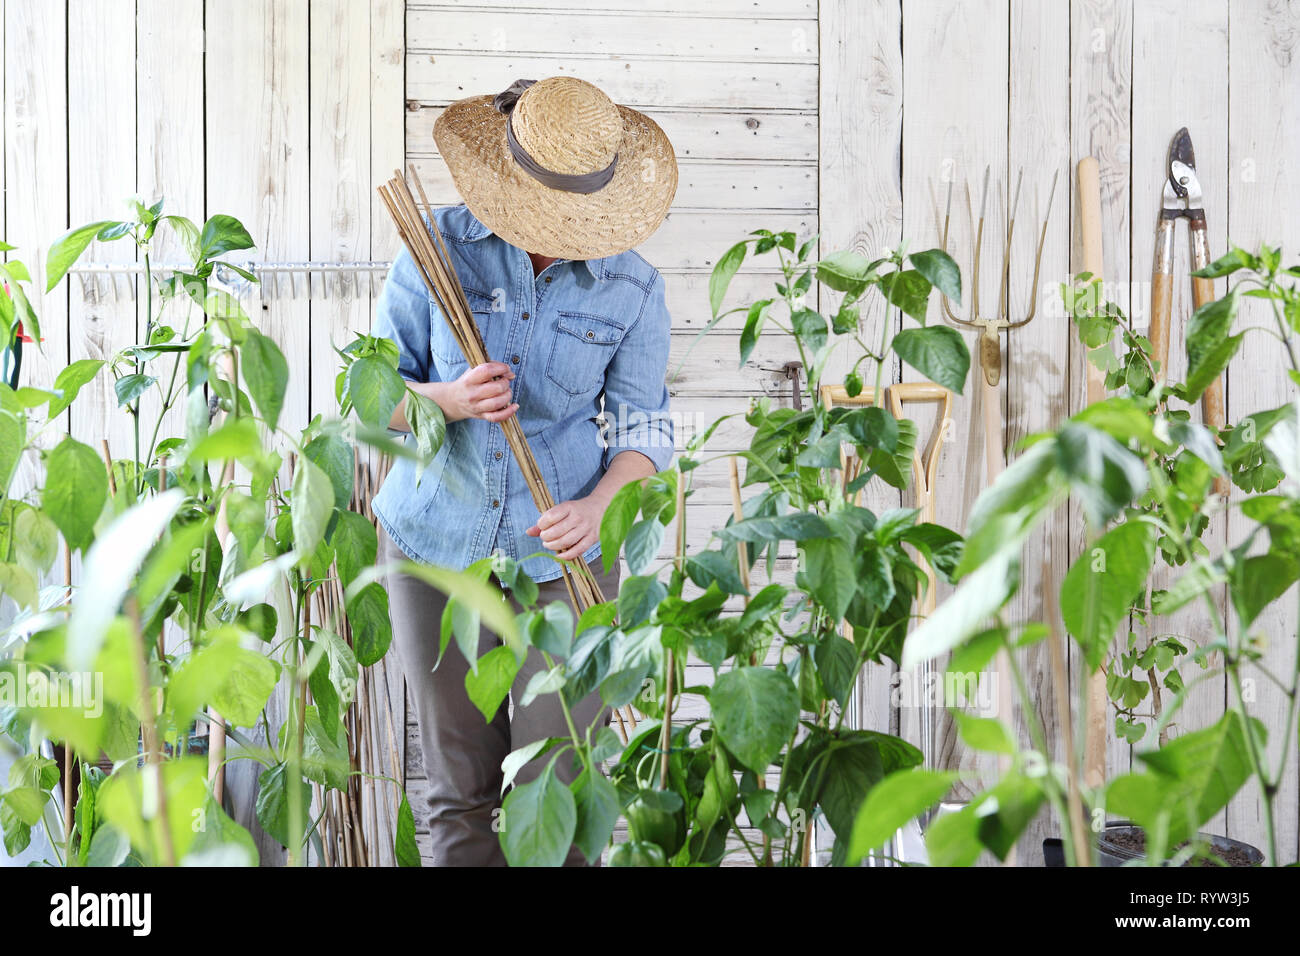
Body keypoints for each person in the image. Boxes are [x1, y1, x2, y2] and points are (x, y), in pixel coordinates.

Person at [371, 76, 678, 866]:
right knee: (457, 795)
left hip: (563, 561)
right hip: (435, 549)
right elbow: (369, 403)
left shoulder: (634, 288)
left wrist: (602, 503)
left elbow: (646, 427)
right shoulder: (434, 247)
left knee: (558, 795)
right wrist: (448, 399)